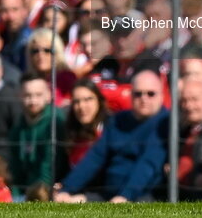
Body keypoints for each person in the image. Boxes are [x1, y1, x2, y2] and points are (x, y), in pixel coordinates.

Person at [54, 70, 169, 203]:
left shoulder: (164, 123)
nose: (144, 99)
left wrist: (126, 196)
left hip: (143, 196)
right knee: (66, 201)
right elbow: (95, 157)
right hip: (107, 194)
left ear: (161, 96)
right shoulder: (118, 120)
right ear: (130, 95)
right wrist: (67, 188)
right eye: (138, 94)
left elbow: (148, 164)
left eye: (150, 94)